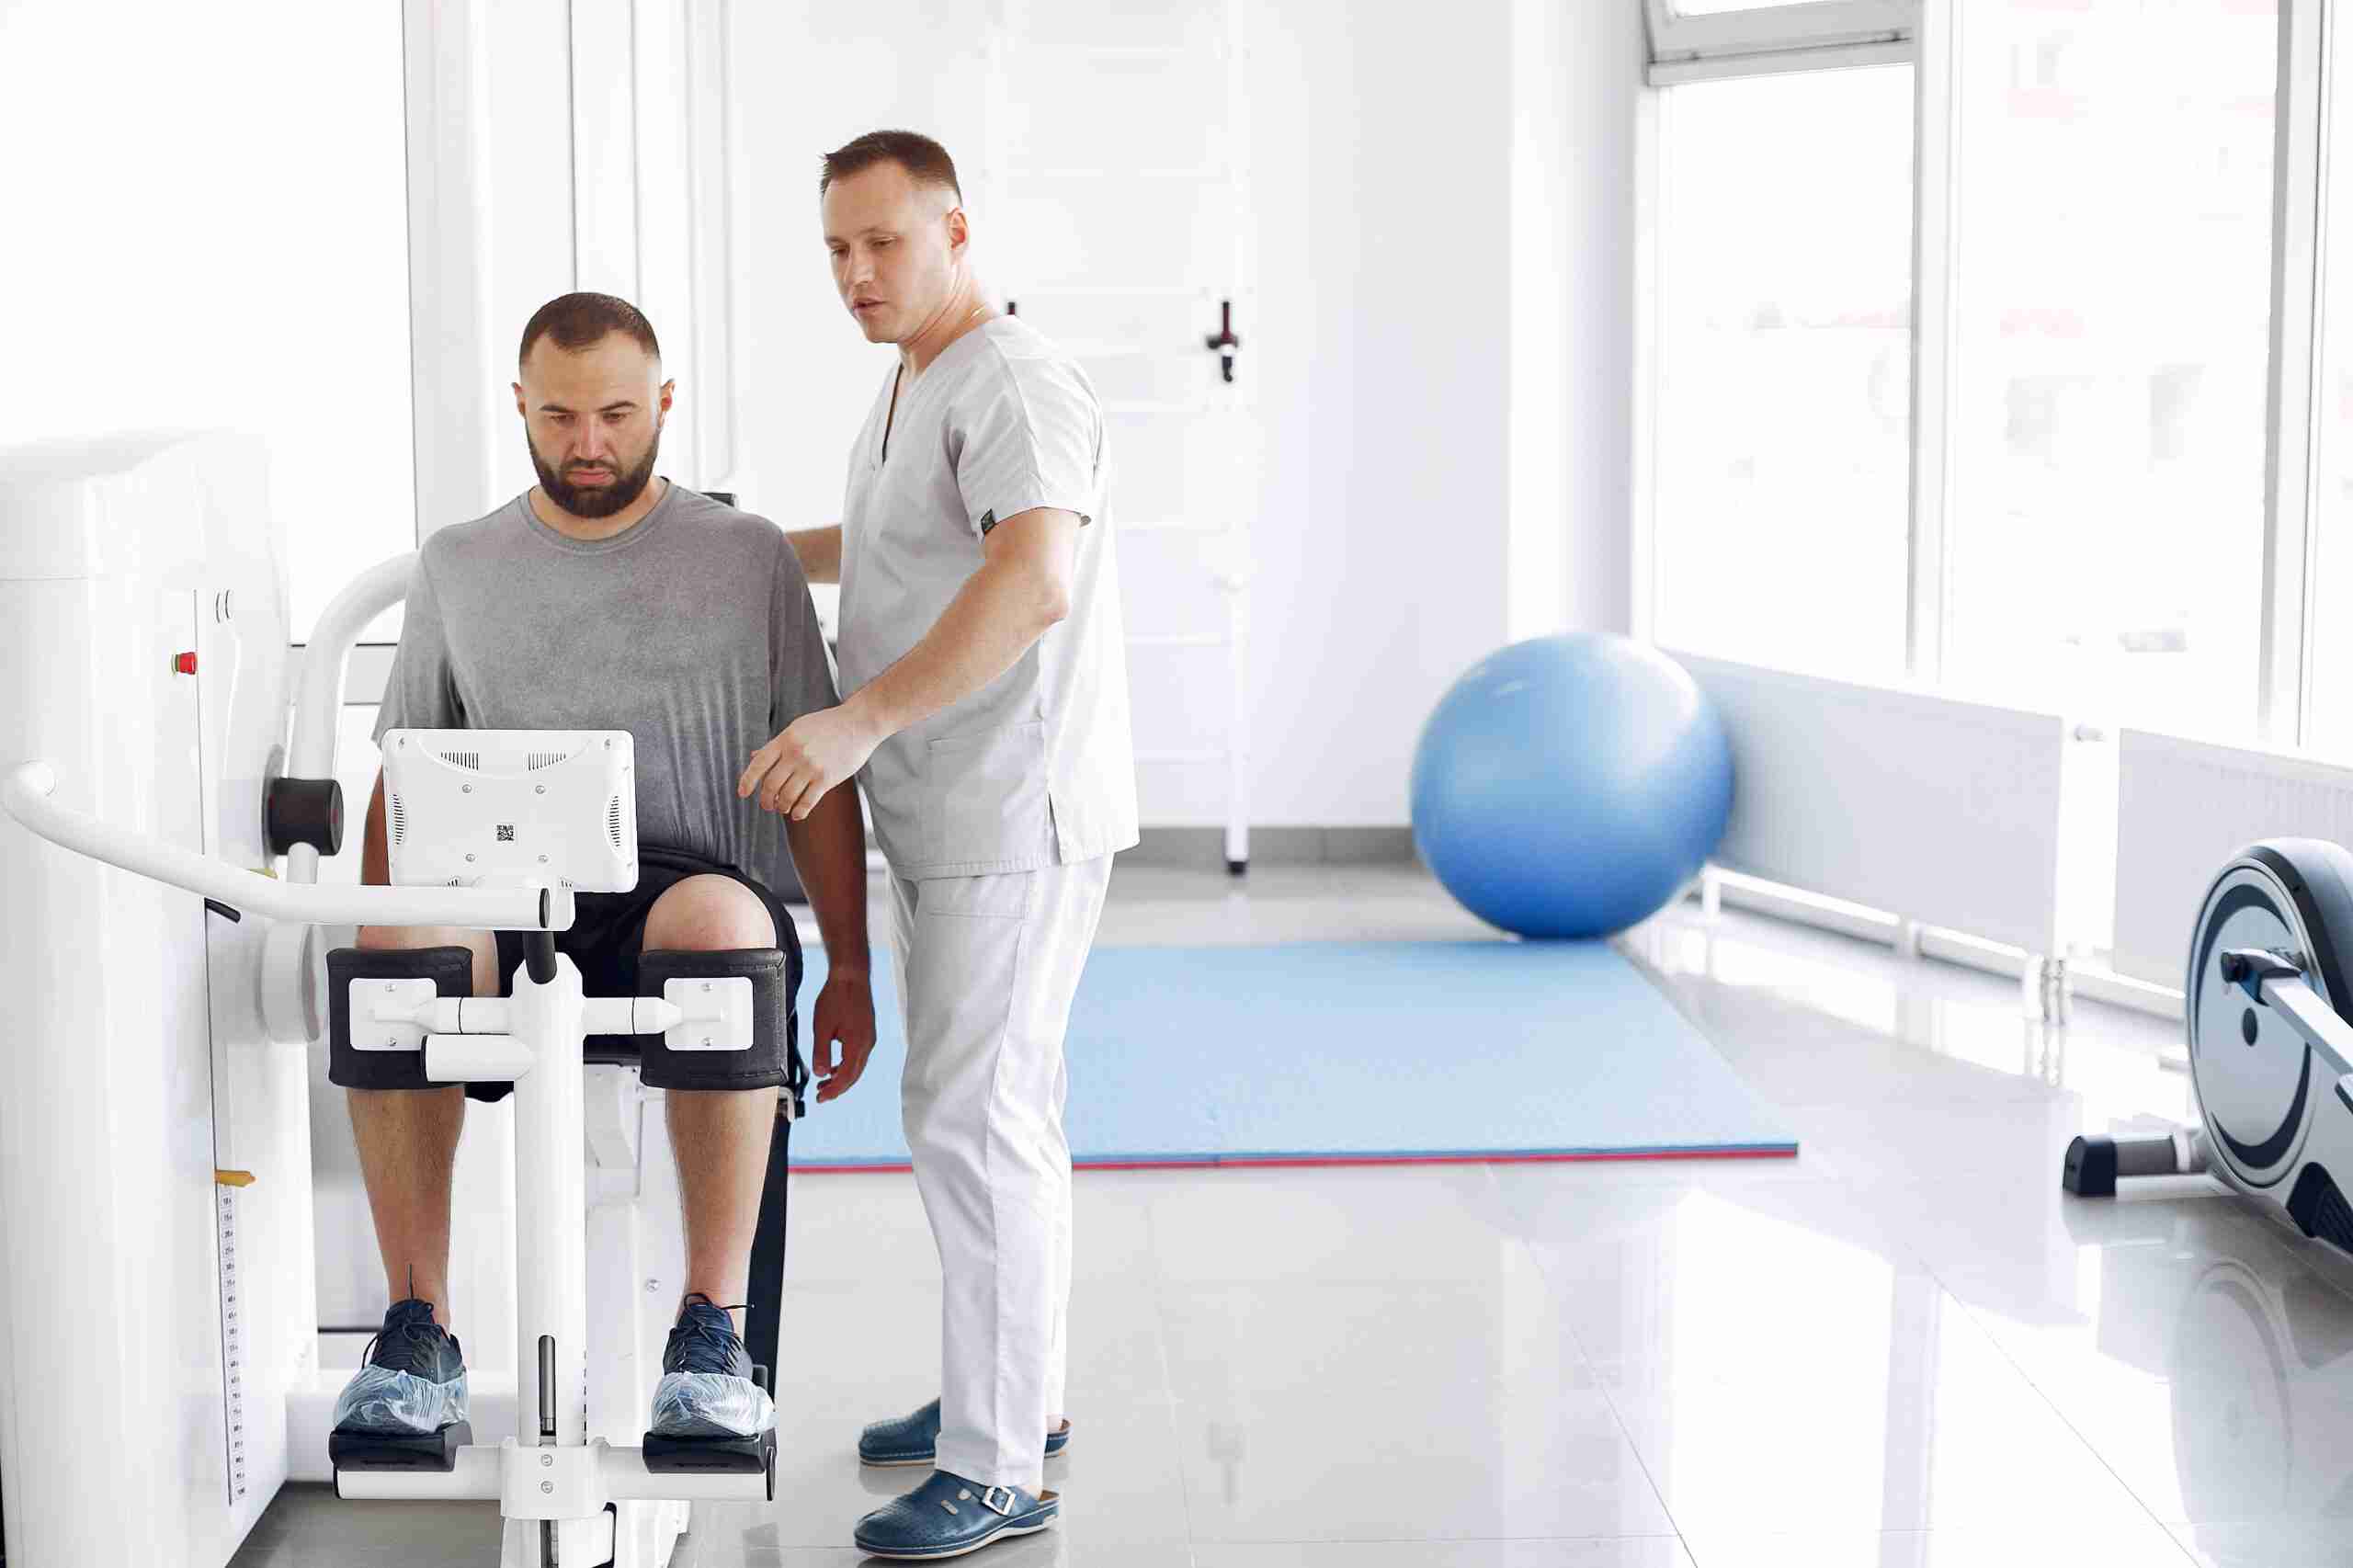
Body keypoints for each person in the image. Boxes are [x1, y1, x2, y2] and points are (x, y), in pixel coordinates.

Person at [328, 290, 878, 1452]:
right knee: (394, 948)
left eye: (618, 415)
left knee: (724, 925)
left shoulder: (746, 555)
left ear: (664, 403)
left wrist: (850, 967)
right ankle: (417, 1328)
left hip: (681, 888)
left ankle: (710, 1331)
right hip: (498, 889)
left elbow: (821, 775)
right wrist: (380, 921)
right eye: (561, 415)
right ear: (520, 405)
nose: (588, 443)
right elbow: (401, 773)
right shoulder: (459, 563)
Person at [750, 128, 1138, 1560]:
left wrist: (856, 720)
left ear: (957, 232)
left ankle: (997, 1462)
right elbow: (899, 544)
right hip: (945, 808)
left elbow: (1030, 581)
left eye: (884, 243)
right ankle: (1012, 1397)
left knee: (980, 1121)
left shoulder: (1012, 382)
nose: (857, 272)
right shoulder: (917, 375)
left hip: (1008, 810)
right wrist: (742, 548)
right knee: (982, 1111)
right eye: (836, 250)